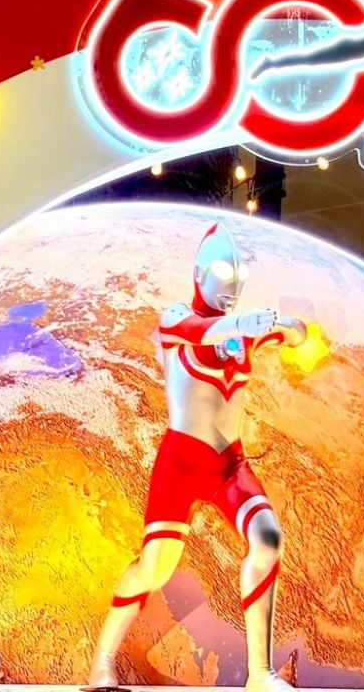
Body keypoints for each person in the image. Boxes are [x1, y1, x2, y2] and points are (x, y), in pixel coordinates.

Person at [88, 223, 309, 692]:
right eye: (224, 275)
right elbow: (198, 330)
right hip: (181, 466)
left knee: (268, 540)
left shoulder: (244, 335)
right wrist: (245, 325)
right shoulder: (177, 320)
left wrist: (289, 326)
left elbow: (296, 336)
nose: (233, 288)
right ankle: (102, 659)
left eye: (240, 277)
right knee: (154, 569)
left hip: (230, 466)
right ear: (199, 274)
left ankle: (260, 674)